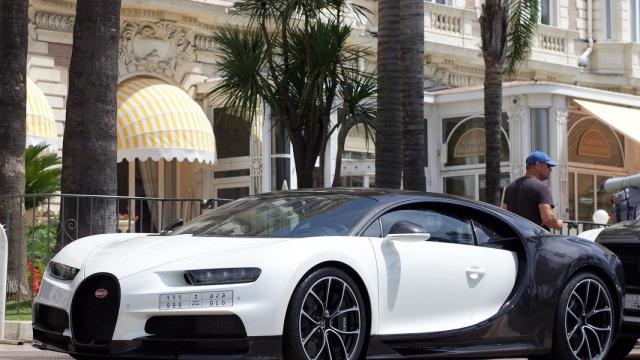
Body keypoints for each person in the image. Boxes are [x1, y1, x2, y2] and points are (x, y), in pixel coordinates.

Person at [502, 151, 564, 230]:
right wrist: (558, 224)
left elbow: (504, 214)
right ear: (538, 165)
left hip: (516, 238)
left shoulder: (510, 188)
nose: (550, 169)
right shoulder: (541, 188)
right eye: (548, 166)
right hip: (535, 239)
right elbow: (547, 219)